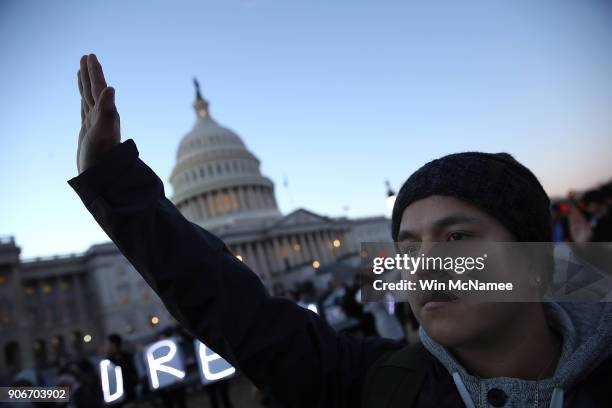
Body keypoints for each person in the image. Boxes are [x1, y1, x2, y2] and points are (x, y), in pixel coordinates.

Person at [70, 54, 612, 407]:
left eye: (456, 239)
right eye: (406, 246)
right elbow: (233, 308)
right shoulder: (372, 384)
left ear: (538, 260)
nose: (423, 266)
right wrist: (116, 188)